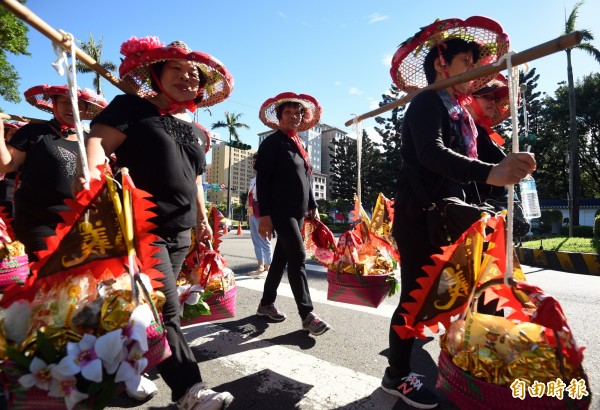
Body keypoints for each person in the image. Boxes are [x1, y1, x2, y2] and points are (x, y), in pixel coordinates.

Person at [384, 18, 535, 409]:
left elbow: (488, 155)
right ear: (441, 64)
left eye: (474, 62)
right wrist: (490, 172)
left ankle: (469, 363)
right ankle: (396, 375)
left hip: (454, 217)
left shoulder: (462, 113)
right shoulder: (427, 102)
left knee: (464, 294)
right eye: (466, 62)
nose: (473, 70)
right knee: (415, 300)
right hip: (421, 217)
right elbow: (430, 154)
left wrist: (514, 164)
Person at [79, 36, 234, 410]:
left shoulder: (197, 131)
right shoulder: (131, 108)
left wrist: (202, 221)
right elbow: (98, 143)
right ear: (156, 74)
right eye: (176, 69)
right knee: (163, 310)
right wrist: (92, 174)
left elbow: (195, 180)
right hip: (139, 228)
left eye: (194, 73)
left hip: (180, 232)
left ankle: (120, 371)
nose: (187, 77)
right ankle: (189, 391)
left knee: (153, 309)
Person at [0, 85, 106, 259]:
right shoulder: (33, 132)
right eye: (65, 101)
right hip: (39, 223)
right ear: (54, 104)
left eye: (79, 104)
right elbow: (6, 166)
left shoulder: (90, 141)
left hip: (81, 224)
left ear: (86, 109)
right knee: (46, 279)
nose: (72, 107)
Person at [255, 92, 331, 336]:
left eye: (297, 112)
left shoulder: (299, 144)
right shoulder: (271, 143)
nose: (294, 116)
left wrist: (314, 207)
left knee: (281, 260)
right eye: (288, 112)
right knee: (297, 256)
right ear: (279, 117)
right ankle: (307, 314)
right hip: (280, 211)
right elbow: (263, 181)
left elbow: (307, 179)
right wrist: (265, 215)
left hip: (299, 213)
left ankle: (266, 304)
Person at [246, 153, 272, 275]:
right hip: (252, 211)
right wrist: (248, 213)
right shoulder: (253, 180)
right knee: (256, 240)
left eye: (256, 161)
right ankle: (260, 266)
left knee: (264, 239)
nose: (254, 164)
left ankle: (268, 267)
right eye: (253, 162)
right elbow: (249, 197)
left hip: (262, 212)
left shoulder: (268, 177)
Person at [0, 121, 25, 220]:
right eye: (13, 134)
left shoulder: (31, 157)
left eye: (20, 135)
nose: (16, 138)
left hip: (16, 208)